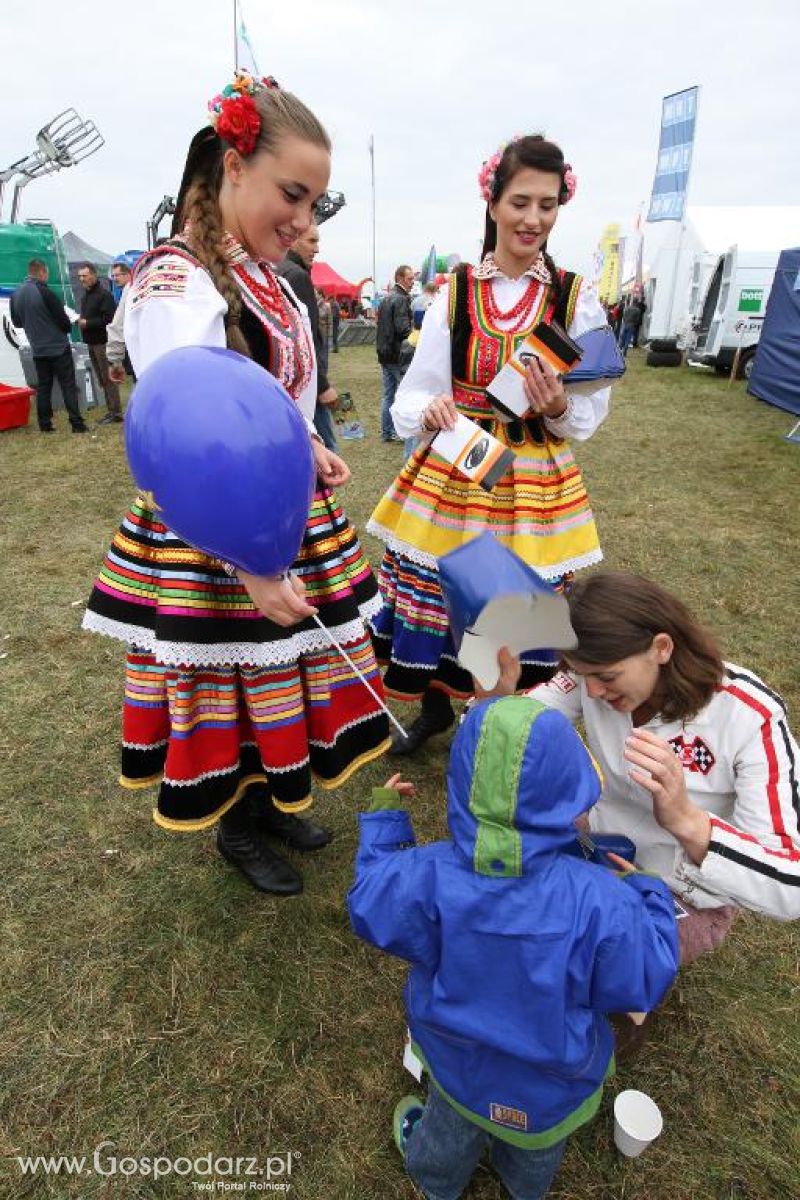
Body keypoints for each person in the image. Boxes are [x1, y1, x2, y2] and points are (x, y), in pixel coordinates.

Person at [82, 72, 390, 897]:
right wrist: (250, 563)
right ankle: (236, 825)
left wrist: (308, 447)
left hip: (276, 505)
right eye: (292, 193)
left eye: (314, 204)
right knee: (230, 675)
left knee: (281, 671)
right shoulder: (177, 282)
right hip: (216, 527)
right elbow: (192, 436)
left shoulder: (265, 276)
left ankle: (271, 802)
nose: (300, 220)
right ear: (232, 167)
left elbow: (270, 401)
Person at [348, 697, 679, 1200]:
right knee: (537, 1149)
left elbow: (371, 898)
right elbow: (645, 976)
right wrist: (650, 894)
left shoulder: (427, 875)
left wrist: (385, 820)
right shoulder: (605, 901)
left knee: (448, 1132)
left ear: (462, 788)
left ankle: (436, 1182)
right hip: (554, 1083)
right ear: (572, 791)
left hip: (458, 1065)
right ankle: (524, 1187)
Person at [367, 134, 611, 755]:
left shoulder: (575, 297)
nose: (534, 219)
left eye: (548, 205)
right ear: (493, 201)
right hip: (458, 464)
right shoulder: (454, 291)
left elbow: (590, 408)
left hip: (531, 480)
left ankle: (501, 721)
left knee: (512, 603)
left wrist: (558, 406)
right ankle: (434, 711)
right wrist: (432, 407)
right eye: (521, 202)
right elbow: (410, 397)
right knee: (441, 591)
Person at [486, 571, 800, 952]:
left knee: (599, 952)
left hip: (682, 889)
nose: (593, 692)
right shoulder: (589, 678)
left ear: (662, 648)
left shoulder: (749, 716)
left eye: (606, 676)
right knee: (501, 878)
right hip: (596, 842)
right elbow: (520, 725)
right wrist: (495, 702)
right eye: (580, 674)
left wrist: (685, 818)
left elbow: (789, 883)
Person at [277, 223, 339, 450]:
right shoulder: (296, 275)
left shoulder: (278, 269)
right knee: (325, 451)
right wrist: (322, 386)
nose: (317, 249)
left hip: (290, 384)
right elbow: (305, 339)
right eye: (312, 241)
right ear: (293, 239)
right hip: (307, 386)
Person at [9, 258, 87, 434]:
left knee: (43, 386)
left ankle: (45, 424)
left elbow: (17, 322)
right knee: (68, 384)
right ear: (42, 272)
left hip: (37, 348)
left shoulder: (16, 294)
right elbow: (64, 322)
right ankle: (76, 423)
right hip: (58, 347)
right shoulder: (45, 292)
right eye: (47, 273)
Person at [77, 262, 123, 424]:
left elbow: (109, 319)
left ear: (94, 275)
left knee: (108, 378)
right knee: (101, 379)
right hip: (90, 342)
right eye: (80, 276)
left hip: (102, 342)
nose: (82, 279)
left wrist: (87, 323)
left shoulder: (104, 295)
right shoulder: (85, 296)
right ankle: (111, 410)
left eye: (85, 275)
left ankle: (116, 412)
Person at [376, 265, 414, 442]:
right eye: (409, 279)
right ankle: (398, 432)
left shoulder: (387, 298)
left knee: (388, 394)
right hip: (396, 353)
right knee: (403, 393)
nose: (413, 282)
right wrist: (417, 334)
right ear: (399, 278)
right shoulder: (400, 299)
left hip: (385, 352)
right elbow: (402, 328)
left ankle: (387, 432)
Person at [107, 260, 135, 385]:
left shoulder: (130, 289)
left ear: (128, 274)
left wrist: (115, 360)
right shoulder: (128, 289)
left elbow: (118, 325)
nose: (114, 279)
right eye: (113, 276)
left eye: (117, 275)